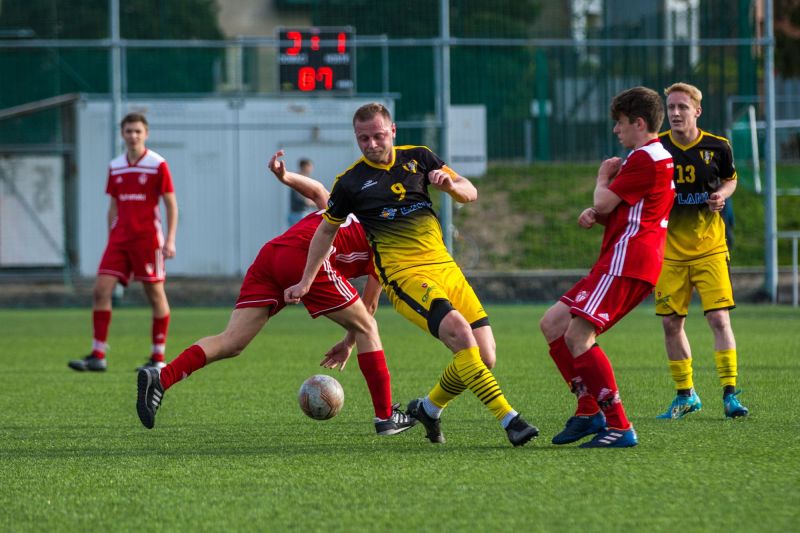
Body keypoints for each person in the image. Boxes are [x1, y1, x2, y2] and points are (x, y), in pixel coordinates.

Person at [285, 103, 538, 447]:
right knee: (461, 336)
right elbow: (325, 233)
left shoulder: (418, 157)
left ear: (393, 131)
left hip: (446, 268)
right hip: (404, 276)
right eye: (363, 138)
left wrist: (449, 185)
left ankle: (429, 408)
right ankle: (511, 420)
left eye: (377, 135)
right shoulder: (351, 182)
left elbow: (470, 191)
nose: (371, 144)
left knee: (485, 356)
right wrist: (305, 280)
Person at [137, 150, 417, 436]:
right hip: (304, 257)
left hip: (271, 254)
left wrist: (284, 176)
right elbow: (368, 309)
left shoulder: (353, 208)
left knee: (232, 341)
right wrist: (349, 342)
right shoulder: (389, 242)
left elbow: (318, 190)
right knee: (368, 327)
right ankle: (385, 416)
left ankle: (161, 377)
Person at [539, 86, 675, 448]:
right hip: (624, 258)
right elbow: (631, 212)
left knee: (578, 336)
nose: (616, 130)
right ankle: (588, 410)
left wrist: (602, 179)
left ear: (639, 122)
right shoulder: (652, 157)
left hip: (626, 261)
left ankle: (618, 424)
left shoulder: (646, 157)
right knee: (553, 323)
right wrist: (598, 216)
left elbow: (605, 198)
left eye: (620, 123)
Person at [654, 82, 749, 419]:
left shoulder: (718, 146)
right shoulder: (656, 148)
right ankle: (685, 394)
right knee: (670, 324)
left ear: (697, 110)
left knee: (718, 318)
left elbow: (731, 178)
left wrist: (723, 193)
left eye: (682, 107)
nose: (676, 113)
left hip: (710, 248)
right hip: (669, 253)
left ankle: (730, 394)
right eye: (671, 108)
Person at [69, 112, 178, 372]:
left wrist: (170, 239)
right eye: (128, 131)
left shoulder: (157, 164)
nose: (133, 136)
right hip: (119, 240)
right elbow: (113, 206)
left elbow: (171, 203)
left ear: (146, 134)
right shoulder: (115, 166)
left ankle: (158, 358)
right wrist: (111, 236)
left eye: (138, 131)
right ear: (122, 134)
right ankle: (98, 355)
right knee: (100, 290)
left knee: (154, 294)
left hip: (148, 240)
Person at [288, 158, 318, 226]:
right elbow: (301, 199)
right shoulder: (299, 179)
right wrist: (316, 202)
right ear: (304, 167)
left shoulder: (300, 178)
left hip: (299, 214)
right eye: (310, 166)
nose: (311, 169)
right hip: (299, 215)